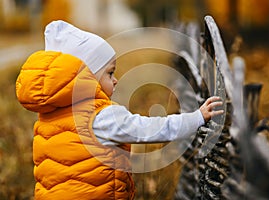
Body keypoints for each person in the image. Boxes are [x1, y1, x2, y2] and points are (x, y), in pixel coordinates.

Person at [16, 20, 224, 200]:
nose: (115, 80)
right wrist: (196, 118)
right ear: (87, 77)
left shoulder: (48, 115)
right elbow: (149, 129)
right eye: (110, 73)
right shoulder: (101, 117)